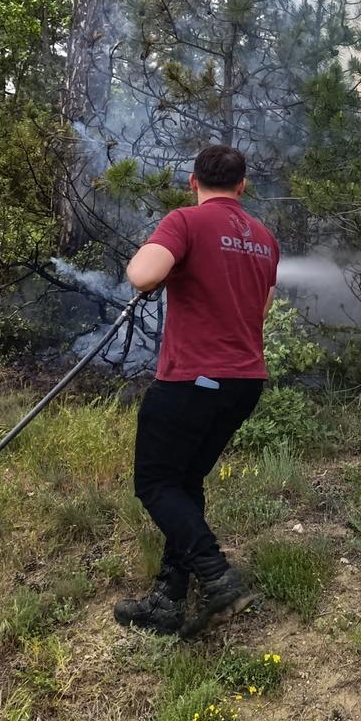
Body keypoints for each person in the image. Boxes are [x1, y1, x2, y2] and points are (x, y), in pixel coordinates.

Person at [113, 144, 279, 637]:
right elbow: (260, 312)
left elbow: (142, 274)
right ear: (242, 185)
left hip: (193, 380)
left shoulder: (185, 221)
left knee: (156, 483)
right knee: (184, 483)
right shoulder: (265, 239)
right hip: (244, 382)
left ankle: (217, 576)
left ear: (193, 182)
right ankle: (167, 600)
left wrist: (164, 271)